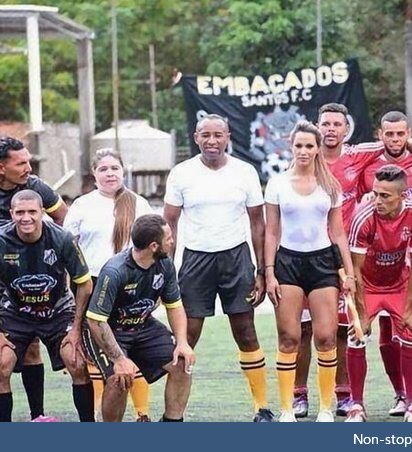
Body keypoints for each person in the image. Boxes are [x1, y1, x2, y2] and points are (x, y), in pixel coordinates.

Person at [293, 104, 412, 418]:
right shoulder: (303, 161)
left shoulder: (358, 155)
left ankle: (353, 396)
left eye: (336, 124)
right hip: (309, 254)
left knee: (349, 329)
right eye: (325, 124)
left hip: (347, 254)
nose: (330, 130)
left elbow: (395, 138)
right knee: (305, 328)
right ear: (317, 129)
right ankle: (298, 394)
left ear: (346, 130)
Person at [163, 114, 273, 422]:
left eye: (218, 135)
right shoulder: (181, 173)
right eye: (205, 135)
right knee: (187, 335)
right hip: (195, 260)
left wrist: (263, 270)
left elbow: (258, 224)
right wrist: (166, 272)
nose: (212, 141)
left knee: (246, 331)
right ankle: (174, 413)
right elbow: (168, 223)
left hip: (236, 259)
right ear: (196, 137)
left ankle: (262, 407)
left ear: (228, 137)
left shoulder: (245, 172)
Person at [264, 120, 355, 422]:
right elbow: (272, 233)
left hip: (322, 264)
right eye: (299, 145)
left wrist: (350, 273)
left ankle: (326, 408)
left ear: (318, 149)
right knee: (289, 337)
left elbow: (339, 233)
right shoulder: (277, 183)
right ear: (291, 147)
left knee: (327, 336)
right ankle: (287, 408)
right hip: (287, 263)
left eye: (309, 146)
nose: (303, 151)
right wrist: (269, 272)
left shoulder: (330, 186)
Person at [64, 148, 154, 421]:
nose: (110, 174)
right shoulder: (82, 204)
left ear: (122, 171)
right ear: (94, 174)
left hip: (131, 285)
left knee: (130, 349)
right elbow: (68, 246)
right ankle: (100, 413)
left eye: (114, 168)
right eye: (103, 169)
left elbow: (154, 243)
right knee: (99, 354)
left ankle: (142, 414)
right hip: (92, 285)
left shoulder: (138, 203)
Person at [84, 214, 195, 422]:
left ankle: (172, 423)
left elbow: (175, 305)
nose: (172, 241)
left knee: (182, 363)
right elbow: (96, 320)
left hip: (141, 325)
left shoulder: (165, 264)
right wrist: (119, 359)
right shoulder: (115, 271)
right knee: (120, 378)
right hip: (108, 329)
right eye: (168, 238)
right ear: (154, 246)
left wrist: (182, 342)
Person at [0, 190, 93, 422]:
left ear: (42, 213)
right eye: (20, 212)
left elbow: (85, 285)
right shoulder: (1, 240)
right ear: (11, 214)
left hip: (58, 311)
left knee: (76, 361)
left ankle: (90, 429)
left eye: (32, 211)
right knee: (1, 365)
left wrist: (75, 328)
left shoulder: (62, 239)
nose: (26, 217)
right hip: (15, 312)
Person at [345, 165, 412, 422]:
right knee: (356, 335)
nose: (378, 201)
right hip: (367, 285)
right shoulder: (364, 218)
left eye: (385, 196)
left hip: (398, 284)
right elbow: (355, 270)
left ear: (403, 195)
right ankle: (356, 405)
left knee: (411, 332)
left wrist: (409, 310)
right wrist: (361, 315)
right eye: (376, 193)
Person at [0, 136, 69, 421]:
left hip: (32, 278)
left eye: (29, 161)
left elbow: (66, 219)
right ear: (2, 167)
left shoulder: (36, 187)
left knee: (30, 347)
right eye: (21, 163)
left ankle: (37, 416)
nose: (29, 167)